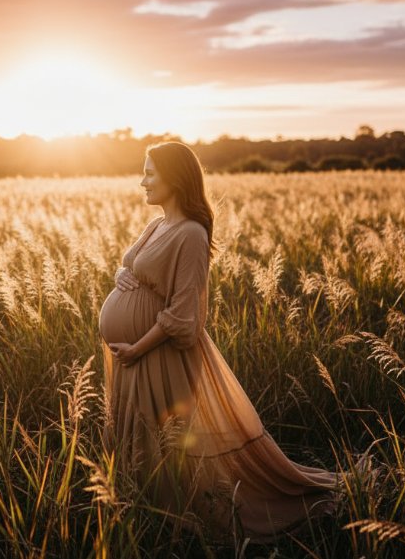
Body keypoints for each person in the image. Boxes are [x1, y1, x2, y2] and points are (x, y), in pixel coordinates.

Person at [98, 141, 342, 542]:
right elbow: (135, 269)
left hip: (158, 357)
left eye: (149, 173)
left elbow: (184, 315)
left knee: (169, 446)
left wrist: (138, 347)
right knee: (141, 444)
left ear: (175, 178)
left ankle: (186, 527)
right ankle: (149, 516)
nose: (141, 181)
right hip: (133, 356)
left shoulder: (191, 233)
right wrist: (119, 277)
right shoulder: (157, 225)